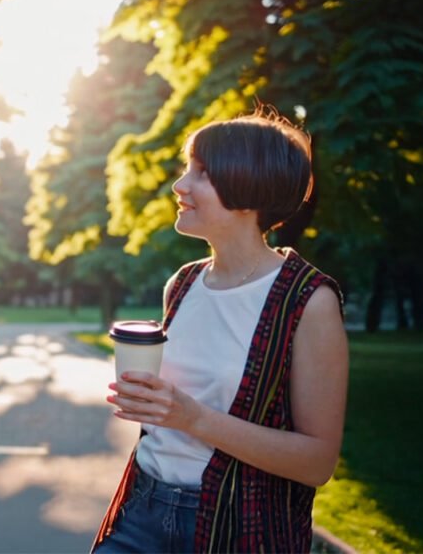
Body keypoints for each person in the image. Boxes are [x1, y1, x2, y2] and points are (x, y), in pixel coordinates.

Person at [92, 109, 349, 553]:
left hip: (235, 528)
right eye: (187, 168)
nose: (180, 185)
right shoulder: (183, 284)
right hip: (141, 510)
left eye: (203, 173)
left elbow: (317, 462)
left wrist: (193, 418)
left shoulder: (307, 300)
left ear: (248, 189)